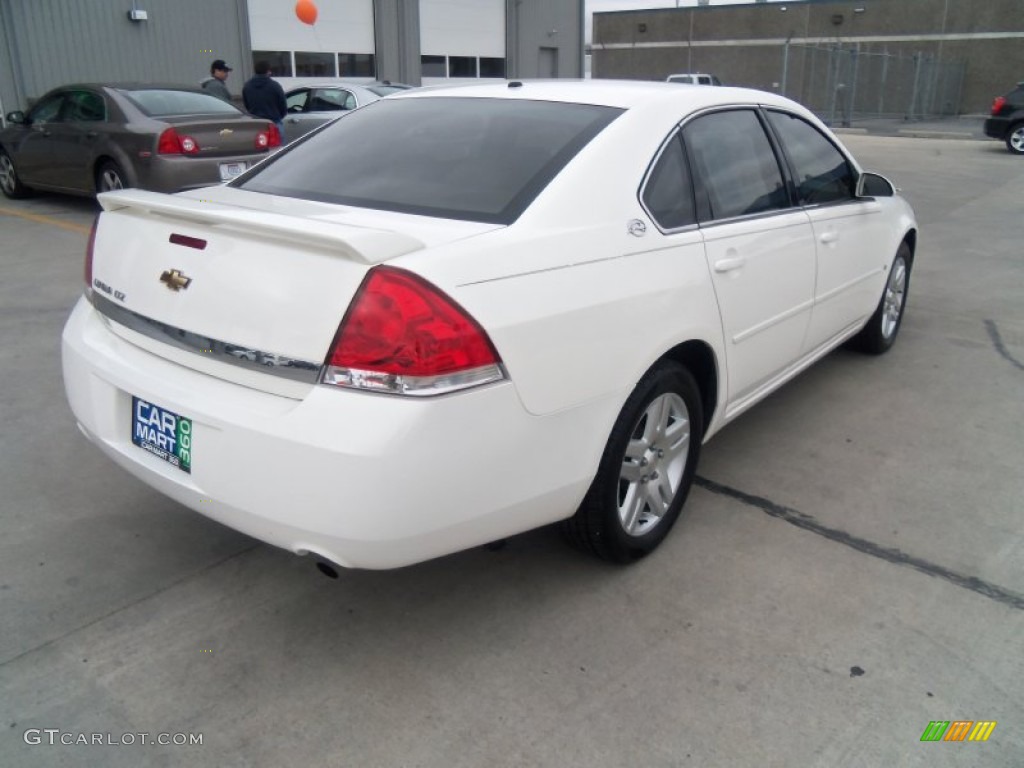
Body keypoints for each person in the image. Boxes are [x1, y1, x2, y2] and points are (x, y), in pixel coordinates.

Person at [243, 61, 288, 142]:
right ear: (268, 71)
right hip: (274, 122)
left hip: (255, 124)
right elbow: (283, 106)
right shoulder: (275, 86)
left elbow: (247, 105)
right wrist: (278, 116)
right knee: (280, 150)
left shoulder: (247, 86)